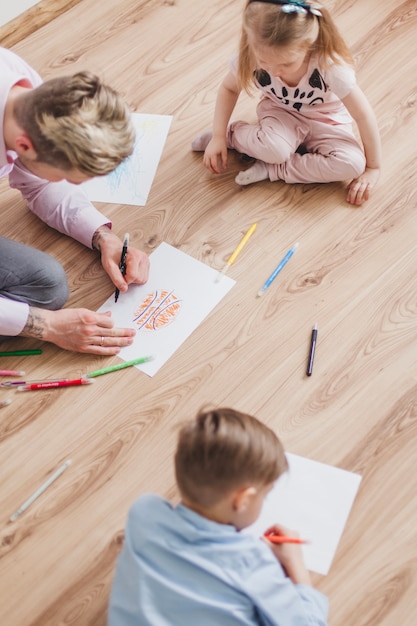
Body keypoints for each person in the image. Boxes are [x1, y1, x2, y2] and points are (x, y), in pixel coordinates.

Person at [108, 407, 328, 626]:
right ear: (243, 500)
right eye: (266, 495)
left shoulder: (144, 513)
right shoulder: (251, 562)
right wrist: (296, 565)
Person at [0, 46, 150, 354]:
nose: (65, 184)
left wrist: (103, 237)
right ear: (23, 144)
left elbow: (39, 185)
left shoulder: (24, 87)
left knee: (47, 284)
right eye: (64, 176)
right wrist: (48, 327)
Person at [192, 0, 382, 206]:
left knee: (352, 165)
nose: (273, 72)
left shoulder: (331, 67)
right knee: (275, 150)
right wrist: (219, 136)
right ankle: (232, 136)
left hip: (326, 121)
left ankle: (274, 169)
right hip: (281, 112)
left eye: (286, 64)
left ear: (309, 46)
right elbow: (229, 88)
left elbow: (363, 116)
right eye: (264, 62)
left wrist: (373, 168)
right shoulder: (251, 55)